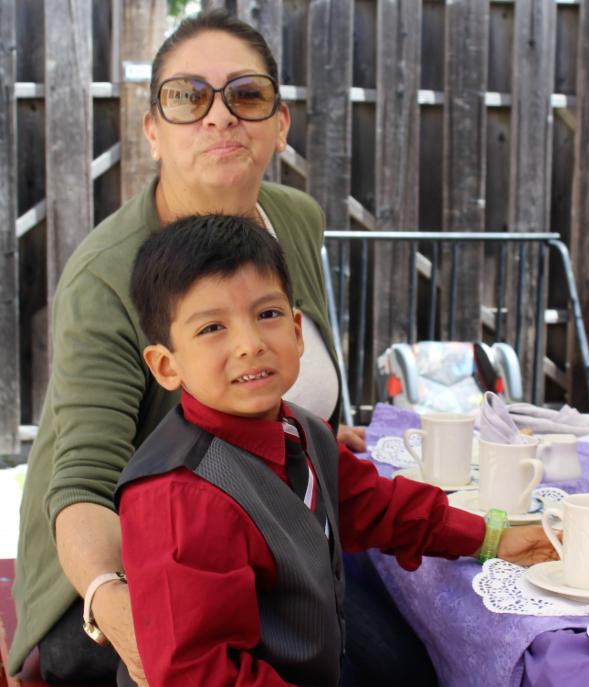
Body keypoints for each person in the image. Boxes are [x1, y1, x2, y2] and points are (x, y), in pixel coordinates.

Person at [7, 10, 422, 685]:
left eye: (246, 94)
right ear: (153, 130)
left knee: (416, 656)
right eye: (187, 96)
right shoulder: (107, 273)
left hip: (271, 533)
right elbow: (83, 482)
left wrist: (310, 436)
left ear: (280, 124)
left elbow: (287, 366)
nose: (220, 115)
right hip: (130, 568)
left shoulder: (295, 218)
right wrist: (118, 609)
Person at [116, 213, 559, 686]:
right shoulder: (178, 497)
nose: (250, 344)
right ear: (166, 366)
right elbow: (201, 675)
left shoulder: (302, 430)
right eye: (211, 328)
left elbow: (370, 504)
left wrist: (490, 538)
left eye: (267, 315)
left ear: (297, 331)